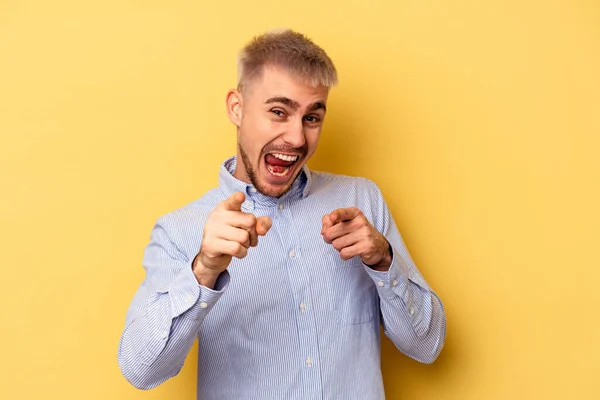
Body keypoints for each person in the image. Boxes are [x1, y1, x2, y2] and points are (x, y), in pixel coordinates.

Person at [118, 29, 446, 399]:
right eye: (279, 112)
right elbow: (141, 370)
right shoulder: (181, 231)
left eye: (311, 118)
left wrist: (384, 261)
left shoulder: (361, 200)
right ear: (236, 108)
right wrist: (203, 271)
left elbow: (427, 345)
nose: (296, 138)